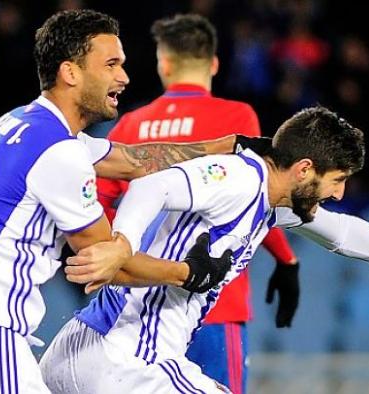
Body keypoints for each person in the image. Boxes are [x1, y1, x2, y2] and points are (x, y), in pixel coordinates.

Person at [0, 10, 255, 393]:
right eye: (110, 65)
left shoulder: (23, 123)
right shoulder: (61, 154)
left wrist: (224, 145)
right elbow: (108, 262)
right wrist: (188, 274)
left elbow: (131, 160)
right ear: (70, 72)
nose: (123, 77)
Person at [40, 106, 369, 393]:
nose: (338, 193)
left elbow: (341, 233)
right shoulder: (238, 178)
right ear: (303, 169)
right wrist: (122, 245)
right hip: (129, 360)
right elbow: (153, 186)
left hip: (86, 349)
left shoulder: (268, 203)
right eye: (336, 180)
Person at [95, 15, 299, 393]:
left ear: (165, 64)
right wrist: (286, 260)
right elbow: (263, 196)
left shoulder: (132, 125)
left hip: (141, 307)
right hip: (215, 303)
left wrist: (123, 262)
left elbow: (98, 207)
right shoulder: (236, 119)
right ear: (215, 64)